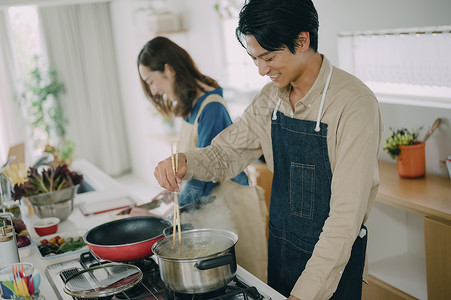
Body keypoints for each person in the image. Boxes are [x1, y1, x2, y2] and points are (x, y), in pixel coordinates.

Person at [153, 0, 383, 299]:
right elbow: (226, 154)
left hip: (330, 266)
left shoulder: (354, 105)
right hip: (282, 248)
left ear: (302, 41)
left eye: (269, 57)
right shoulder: (270, 99)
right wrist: (184, 161)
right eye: (254, 59)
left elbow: (344, 218)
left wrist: (306, 293)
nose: (262, 70)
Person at [135, 36, 268, 281]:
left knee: (246, 279)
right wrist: (171, 193)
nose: (154, 90)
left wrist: (166, 217)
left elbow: (206, 177)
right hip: (216, 208)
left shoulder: (211, 107)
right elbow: (192, 172)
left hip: (231, 206)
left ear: (168, 69)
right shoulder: (195, 105)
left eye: (151, 82)